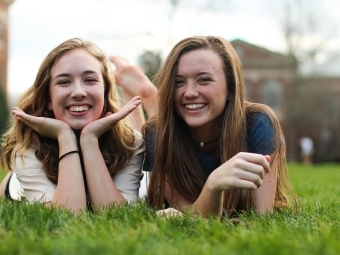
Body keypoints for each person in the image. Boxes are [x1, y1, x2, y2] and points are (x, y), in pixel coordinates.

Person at [111, 35, 299, 218]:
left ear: (230, 87)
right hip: (149, 177)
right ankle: (142, 93)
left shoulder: (257, 124)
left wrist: (212, 187)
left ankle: (146, 93)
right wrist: (213, 185)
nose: (190, 92)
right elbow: (187, 214)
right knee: (137, 139)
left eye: (204, 80)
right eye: (179, 82)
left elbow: (262, 217)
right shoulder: (157, 134)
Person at [0, 38, 145, 214]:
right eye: (64, 82)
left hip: (117, 139)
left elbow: (118, 215)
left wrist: (89, 139)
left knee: (140, 141)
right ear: (48, 100)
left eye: (90, 79)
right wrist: (65, 136)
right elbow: (68, 215)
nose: (78, 92)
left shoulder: (131, 143)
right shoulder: (29, 148)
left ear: (106, 93)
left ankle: (136, 87)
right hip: (17, 185)